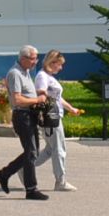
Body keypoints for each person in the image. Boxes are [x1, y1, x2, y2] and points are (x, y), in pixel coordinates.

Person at [0, 45, 48, 200]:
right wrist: (37, 99)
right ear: (23, 58)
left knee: (33, 152)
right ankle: (31, 189)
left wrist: (40, 98)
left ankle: (4, 173)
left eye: (36, 58)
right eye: (33, 58)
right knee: (31, 152)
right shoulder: (15, 73)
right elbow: (17, 99)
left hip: (30, 115)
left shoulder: (26, 72)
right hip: (22, 117)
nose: (36, 62)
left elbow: (27, 94)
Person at [33, 49, 83, 192]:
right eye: (59, 64)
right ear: (52, 62)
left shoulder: (49, 77)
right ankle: (60, 182)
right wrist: (44, 114)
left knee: (50, 149)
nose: (60, 68)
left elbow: (57, 98)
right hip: (50, 117)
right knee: (59, 148)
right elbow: (41, 95)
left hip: (53, 116)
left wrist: (71, 109)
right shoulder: (43, 76)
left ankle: (25, 168)